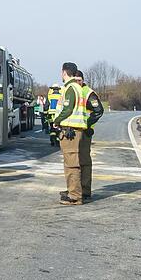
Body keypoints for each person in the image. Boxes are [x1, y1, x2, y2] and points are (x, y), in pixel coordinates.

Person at [51, 63, 89, 205]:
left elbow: (67, 109)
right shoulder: (77, 87)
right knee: (74, 162)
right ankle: (75, 191)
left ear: (64, 72)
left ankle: (74, 196)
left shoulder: (70, 88)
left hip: (70, 131)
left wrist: (56, 120)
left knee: (71, 164)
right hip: (76, 129)